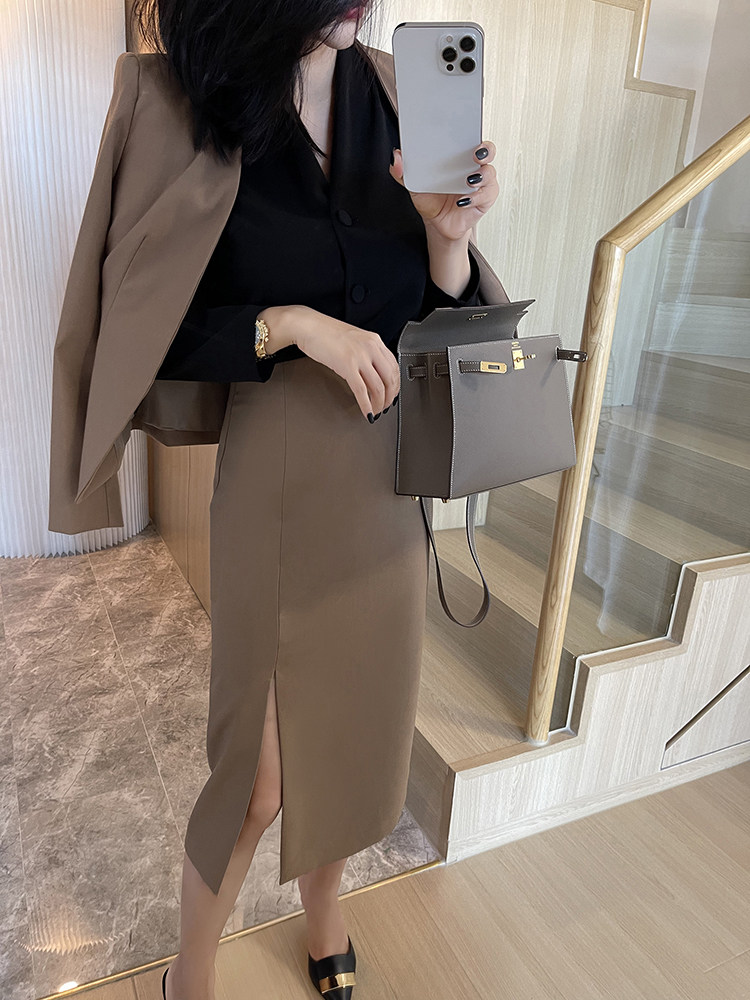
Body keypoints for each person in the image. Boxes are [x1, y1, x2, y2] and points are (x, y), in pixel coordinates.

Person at [121, 3, 505, 999]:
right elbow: (156, 330)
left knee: (358, 732)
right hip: (279, 465)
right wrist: (291, 324)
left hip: (387, 474)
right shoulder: (193, 108)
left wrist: (449, 243)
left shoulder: (397, 91)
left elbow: (436, 320)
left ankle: (326, 915)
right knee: (256, 776)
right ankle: (189, 974)